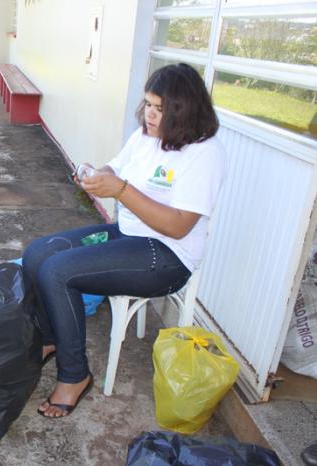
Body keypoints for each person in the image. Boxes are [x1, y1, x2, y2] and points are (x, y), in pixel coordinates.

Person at [23, 63, 227, 418]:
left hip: (166, 256)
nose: (150, 113)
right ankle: (51, 337)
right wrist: (94, 175)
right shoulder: (145, 136)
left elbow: (179, 226)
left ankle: (75, 375)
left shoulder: (205, 153)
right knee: (38, 253)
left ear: (184, 111)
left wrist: (119, 191)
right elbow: (115, 170)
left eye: (161, 108)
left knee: (58, 272)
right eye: (148, 103)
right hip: (129, 235)